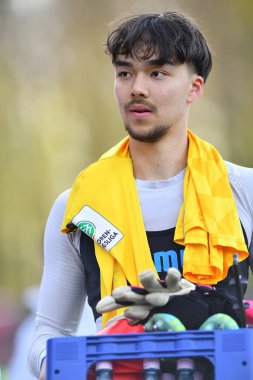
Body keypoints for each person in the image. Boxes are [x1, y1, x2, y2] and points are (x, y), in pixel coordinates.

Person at [28, 11, 253, 380]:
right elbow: (49, 333)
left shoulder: (243, 190)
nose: (137, 88)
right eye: (125, 72)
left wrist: (202, 310)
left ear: (194, 88)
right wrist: (59, 368)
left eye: (158, 73)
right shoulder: (78, 208)